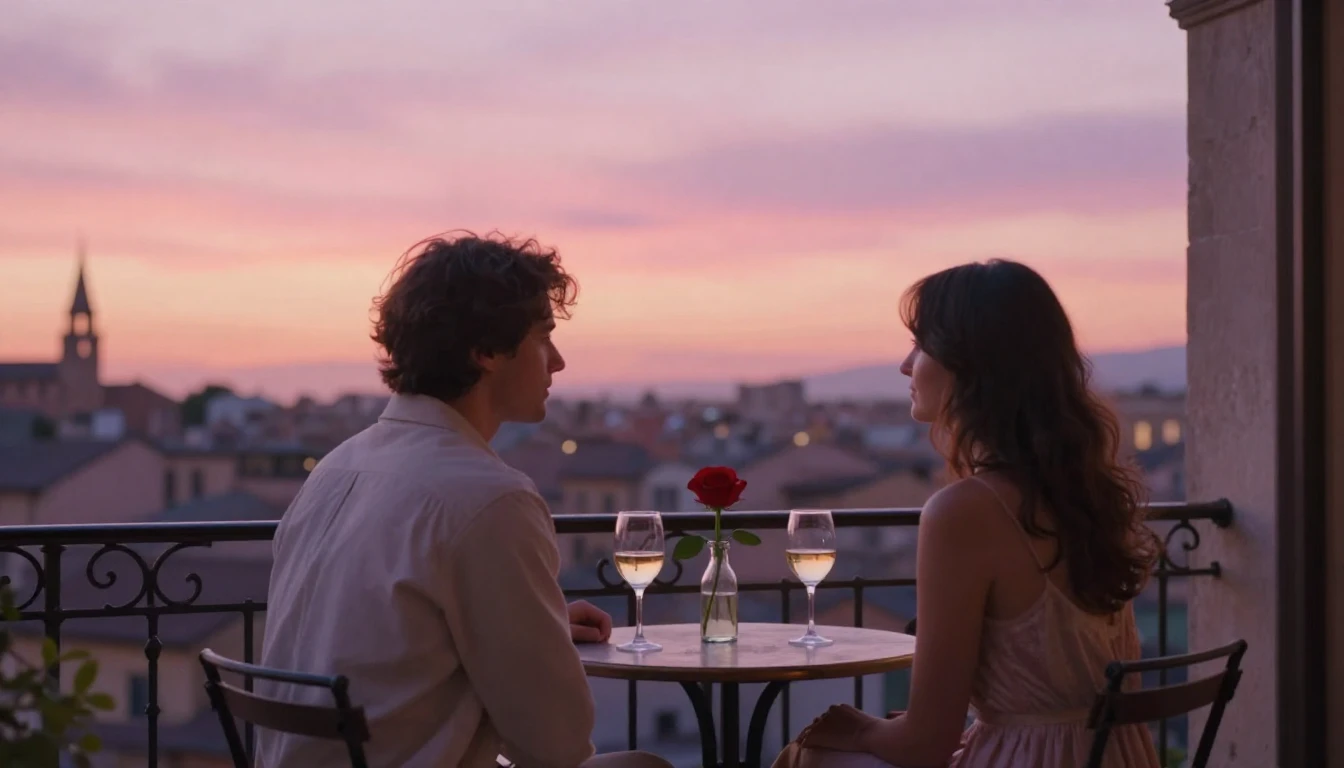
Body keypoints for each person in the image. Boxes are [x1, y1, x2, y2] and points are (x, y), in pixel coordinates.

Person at [257, 233, 673, 768]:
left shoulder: (335, 470)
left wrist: (528, 626)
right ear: (486, 350)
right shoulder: (488, 499)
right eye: (543, 338)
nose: (559, 362)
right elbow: (556, 745)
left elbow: (375, 636)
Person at [773, 260, 1161, 768]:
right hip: (1116, 756)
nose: (906, 366)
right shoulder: (1086, 492)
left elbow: (925, 744)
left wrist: (858, 727)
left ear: (971, 365)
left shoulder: (966, 511)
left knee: (808, 755)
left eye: (921, 346)